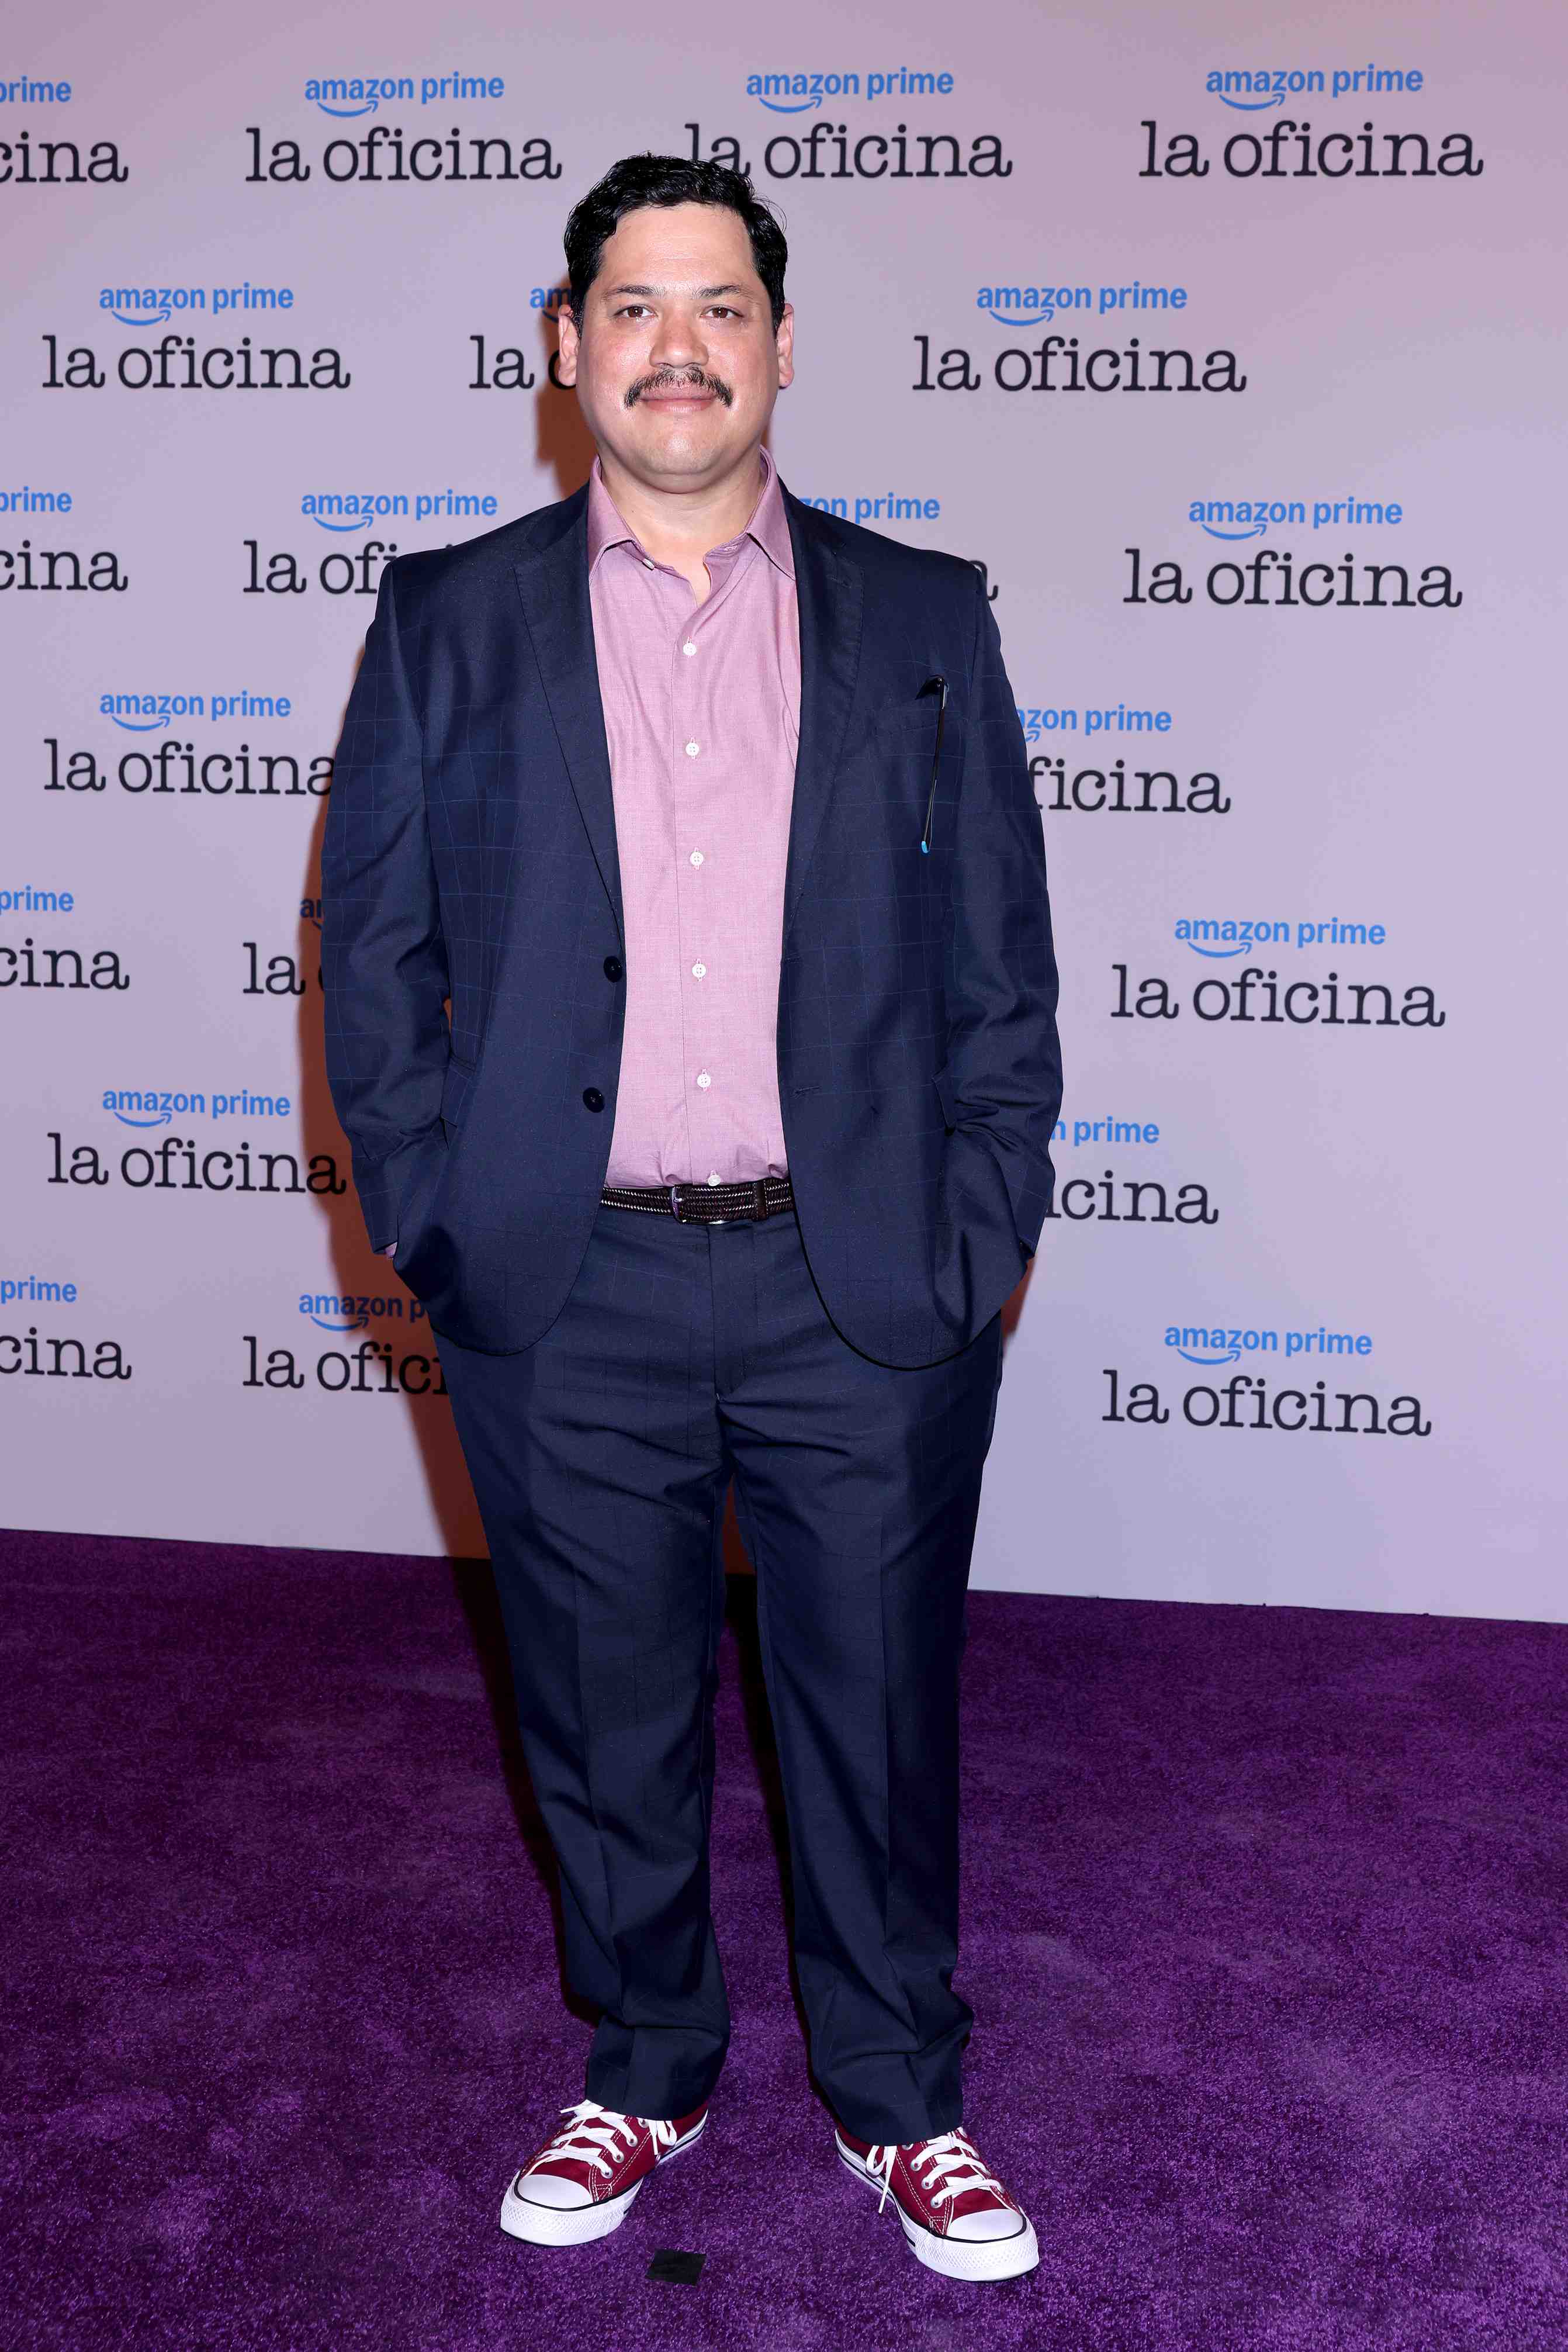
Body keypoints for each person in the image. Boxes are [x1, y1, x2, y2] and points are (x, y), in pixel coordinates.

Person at [321, 153, 1061, 2285]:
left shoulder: (924, 616)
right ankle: (644, 2059)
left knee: (877, 1712)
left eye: (720, 306)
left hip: (864, 1281)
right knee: (599, 1705)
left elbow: (1000, 967)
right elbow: (375, 961)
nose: (678, 347)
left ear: (783, 346)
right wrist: (443, 1222)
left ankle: (899, 2096)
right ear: (567, 349)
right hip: (566, 1282)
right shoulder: (445, 615)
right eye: (633, 306)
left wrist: (973, 1225)